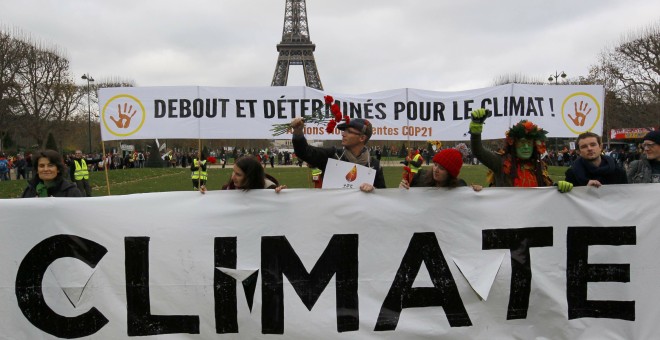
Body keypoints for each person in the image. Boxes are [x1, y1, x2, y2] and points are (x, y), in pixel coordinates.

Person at [290, 117, 385, 192]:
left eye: (349, 131)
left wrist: (374, 191)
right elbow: (304, 152)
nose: (343, 134)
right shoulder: (332, 155)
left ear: (362, 138)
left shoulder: (374, 165)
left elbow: (383, 196)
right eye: (344, 131)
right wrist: (298, 132)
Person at [469, 109, 553, 187]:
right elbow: (478, 151)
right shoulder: (501, 162)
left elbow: (547, 191)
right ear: (513, 144)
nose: (526, 147)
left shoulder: (538, 165)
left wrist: (559, 187)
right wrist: (476, 128)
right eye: (522, 143)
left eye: (529, 143)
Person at [563, 132, 627, 188]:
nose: (589, 148)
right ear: (578, 151)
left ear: (600, 147)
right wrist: (586, 190)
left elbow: (624, 197)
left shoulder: (618, 172)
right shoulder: (572, 174)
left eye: (593, 145)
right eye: (584, 146)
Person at [399, 148, 482, 191]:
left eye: (442, 168)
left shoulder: (460, 186)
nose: (436, 169)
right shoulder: (420, 177)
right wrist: (402, 190)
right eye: (435, 165)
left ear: (450, 173)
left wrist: (475, 192)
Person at [220, 155, 286, 192]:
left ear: (251, 177)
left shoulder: (269, 189)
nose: (233, 177)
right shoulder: (227, 189)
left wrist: (282, 196)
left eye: (238, 174)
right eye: (233, 172)